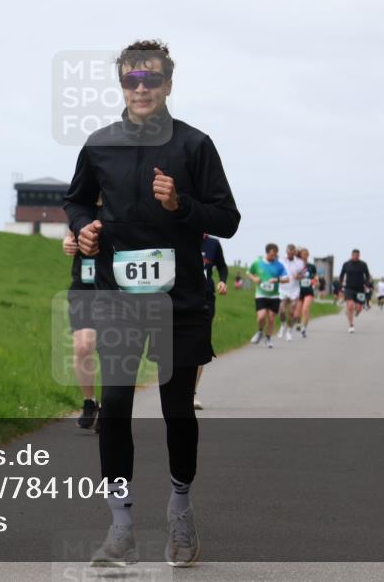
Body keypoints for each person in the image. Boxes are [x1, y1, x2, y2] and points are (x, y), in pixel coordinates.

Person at [63, 40, 240, 567]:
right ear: (121, 84)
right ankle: (120, 526)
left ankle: (180, 511)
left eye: (152, 80)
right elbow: (75, 199)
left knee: (176, 410)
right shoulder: (99, 145)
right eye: (131, 80)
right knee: (114, 406)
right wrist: (82, 228)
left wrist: (180, 203)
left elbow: (227, 219)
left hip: (180, 300)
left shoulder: (195, 145)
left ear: (168, 84)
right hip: (118, 298)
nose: (141, 89)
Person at [63, 229, 99, 429]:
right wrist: (67, 241)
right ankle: (90, 402)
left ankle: (112, 407)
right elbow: (70, 234)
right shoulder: (82, 205)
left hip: (114, 288)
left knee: (112, 349)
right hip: (83, 290)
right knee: (83, 347)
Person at [195, 232, 229, 410]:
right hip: (180, 297)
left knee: (201, 343)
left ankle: (192, 393)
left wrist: (223, 281)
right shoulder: (177, 235)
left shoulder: (213, 244)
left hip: (206, 298)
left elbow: (222, 266)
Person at [248, 244, 289, 348]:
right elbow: (249, 272)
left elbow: (287, 279)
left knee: (271, 318)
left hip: (274, 296)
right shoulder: (258, 263)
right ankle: (260, 332)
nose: (273, 256)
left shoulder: (279, 265)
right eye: (272, 254)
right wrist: (254, 279)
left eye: (275, 254)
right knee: (261, 317)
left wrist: (277, 280)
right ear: (267, 253)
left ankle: (268, 338)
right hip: (261, 294)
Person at [339, 249, 372, 334]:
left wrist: (367, 284)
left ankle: (355, 312)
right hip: (349, 288)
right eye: (354, 255)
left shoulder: (363, 264)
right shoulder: (346, 264)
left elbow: (367, 275)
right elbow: (341, 275)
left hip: (360, 289)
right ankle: (351, 325)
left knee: (358, 308)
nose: (355, 257)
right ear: (351, 255)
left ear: (359, 256)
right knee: (350, 306)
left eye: (357, 256)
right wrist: (341, 285)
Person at [277, 243, 304, 341]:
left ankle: (289, 331)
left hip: (294, 289)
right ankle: (283, 325)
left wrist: (299, 276)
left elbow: (303, 274)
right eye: (289, 253)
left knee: (292, 310)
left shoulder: (300, 262)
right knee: (281, 309)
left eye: (292, 253)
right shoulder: (281, 261)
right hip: (283, 289)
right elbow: (277, 271)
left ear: (295, 253)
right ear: (286, 252)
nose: (290, 255)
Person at [294, 248, 319, 338]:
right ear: (300, 256)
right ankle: (298, 322)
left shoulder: (311, 266)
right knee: (296, 313)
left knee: (305, 309)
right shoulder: (296, 266)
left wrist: (316, 280)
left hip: (309, 291)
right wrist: (298, 276)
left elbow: (315, 275)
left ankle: (303, 328)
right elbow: (293, 276)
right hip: (298, 291)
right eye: (304, 254)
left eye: (307, 254)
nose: (306, 256)